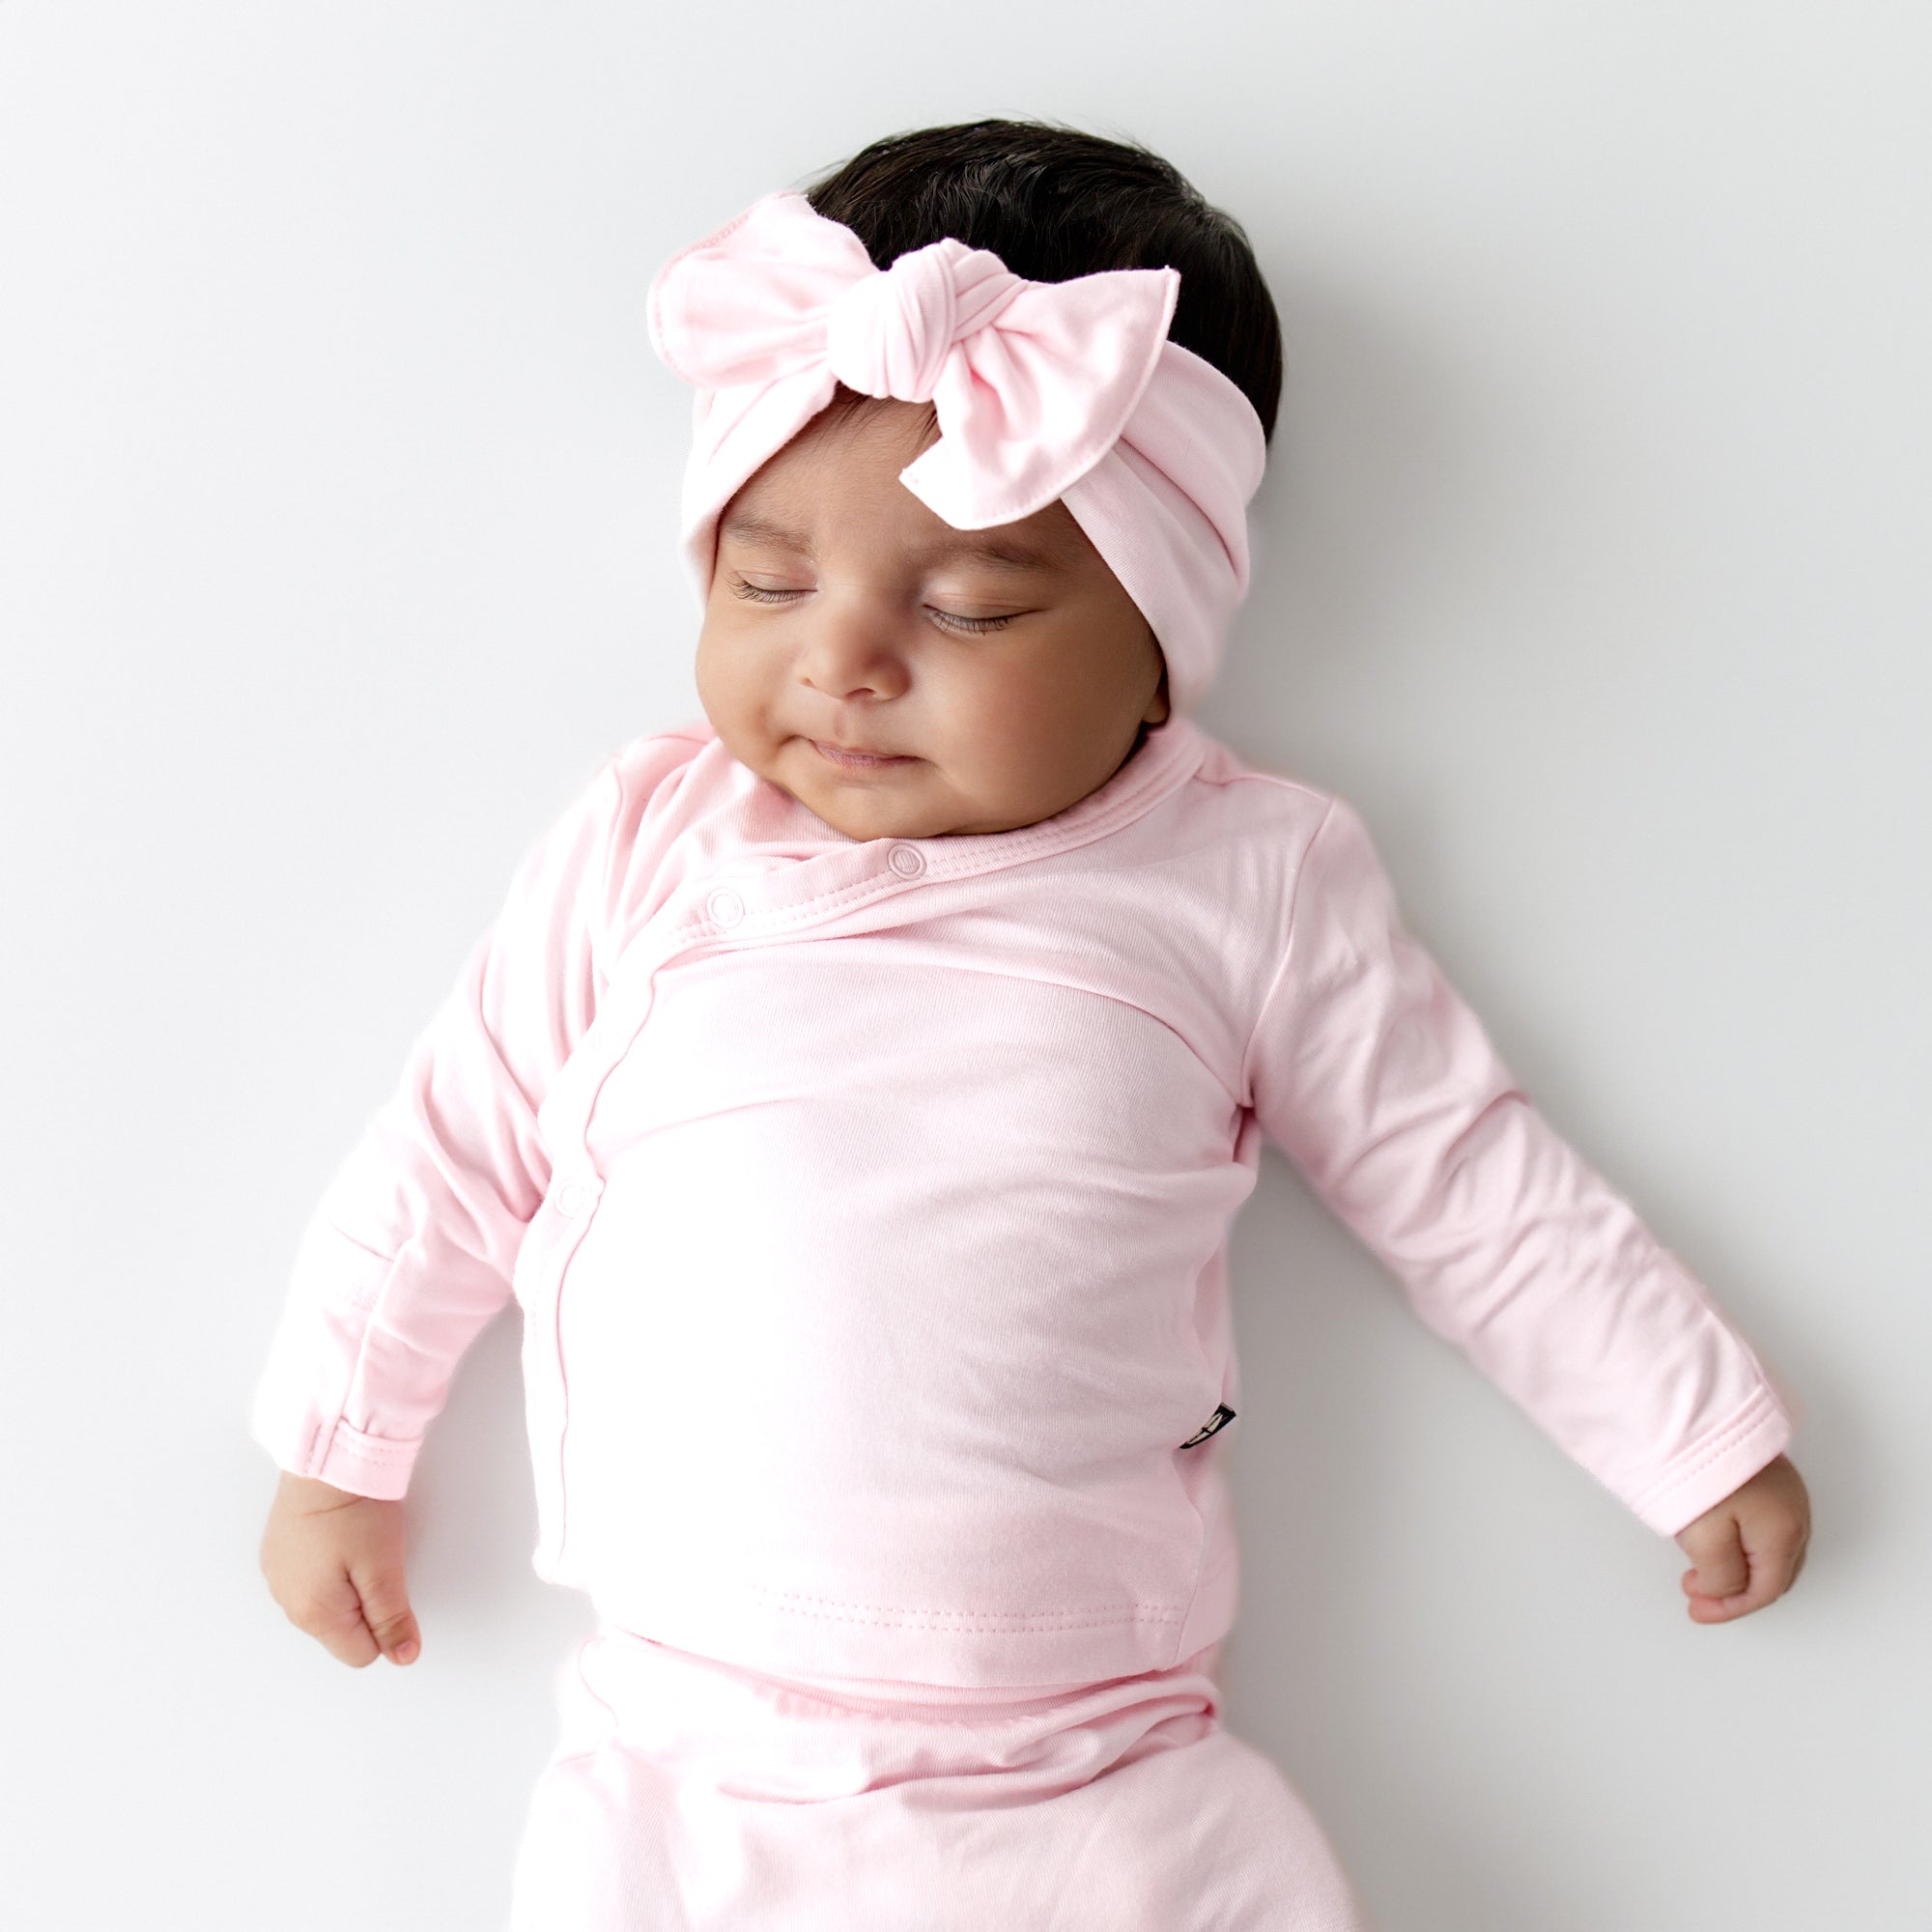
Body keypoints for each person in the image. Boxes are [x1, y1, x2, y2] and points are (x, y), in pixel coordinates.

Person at [251, 120, 1810, 1930]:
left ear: (1159, 639)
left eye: (973, 604)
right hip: (688, 1749)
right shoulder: (643, 844)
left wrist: (1689, 1430)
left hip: (1090, 1753)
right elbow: (453, 1147)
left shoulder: (1247, 876)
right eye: (765, 580)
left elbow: (1463, 1183)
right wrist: (338, 1452)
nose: (841, 657)